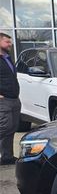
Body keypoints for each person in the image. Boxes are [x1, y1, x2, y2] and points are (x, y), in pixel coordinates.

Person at [0, 32, 20, 165]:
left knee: (12, 128)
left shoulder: (7, 58)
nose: (10, 44)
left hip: (14, 99)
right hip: (3, 100)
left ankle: (7, 157)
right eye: (7, 42)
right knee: (4, 128)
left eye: (10, 41)